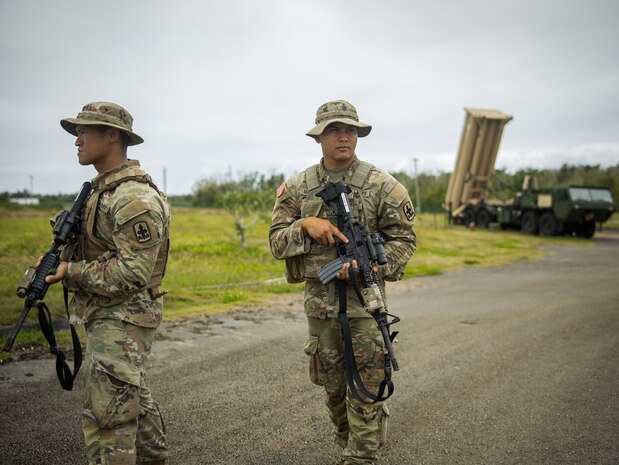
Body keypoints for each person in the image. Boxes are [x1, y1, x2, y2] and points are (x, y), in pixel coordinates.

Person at [269, 100, 416, 465]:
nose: (344, 136)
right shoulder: (298, 188)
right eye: (335, 130)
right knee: (334, 389)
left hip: (366, 303)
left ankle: (360, 455)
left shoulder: (384, 186)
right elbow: (275, 241)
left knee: (365, 386)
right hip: (320, 306)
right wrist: (305, 225)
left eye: (350, 130)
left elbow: (404, 240)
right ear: (319, 137)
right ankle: (350, 437)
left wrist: (375, 269)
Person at [44, 101, 170, 465]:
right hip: (109, 315)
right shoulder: (103, 191)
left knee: (108, 422)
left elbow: (134, 272)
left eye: (84, 131)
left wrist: (72, 272)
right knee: (132, 400)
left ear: (111, 135)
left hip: (124, 319)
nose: (77, 140)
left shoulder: (133, 197)